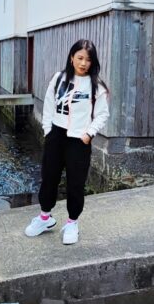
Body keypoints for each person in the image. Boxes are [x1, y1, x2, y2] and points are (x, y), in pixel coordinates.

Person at [24, 39, 109, 245]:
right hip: (56, 135)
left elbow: (102, 114)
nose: (83, 63)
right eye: (79, 58)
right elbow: (49, 106)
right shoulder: (58, 79)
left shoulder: (97, 87)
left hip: (79, 140)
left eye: (88, 60)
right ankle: (45, 217)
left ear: (93, 62)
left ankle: (72, 223)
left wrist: (89, 134)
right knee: (49, 177)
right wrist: (47, 131)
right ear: (72, 58)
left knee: (75, 183)